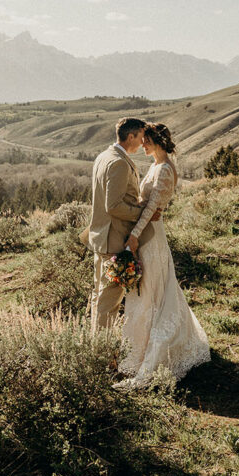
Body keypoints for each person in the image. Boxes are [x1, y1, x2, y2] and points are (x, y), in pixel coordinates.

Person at [117, 123, 210, 387]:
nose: (142, 145)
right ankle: (140, 347)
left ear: (156, 141)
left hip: (150, 236)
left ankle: (157, 351)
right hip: (146, 232)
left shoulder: (166, 169)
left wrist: (134, 236)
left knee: (154, 290)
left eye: (145, 141)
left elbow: (150, 210)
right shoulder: (156, 166)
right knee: (149, 290)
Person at [86, 117, 151, 330]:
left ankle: (96, 344)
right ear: (130, 136)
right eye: (141, 137)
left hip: (99, 236)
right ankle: (102, 352)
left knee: (99, 294)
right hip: (113, 239)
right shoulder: (119, 163)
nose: (143, 143)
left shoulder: (104, 156)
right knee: (109, 300)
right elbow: (113, 206)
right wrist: (142, 211)